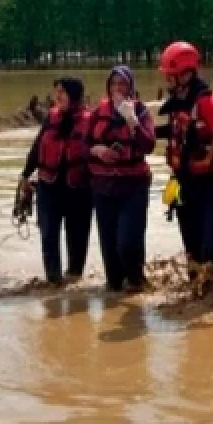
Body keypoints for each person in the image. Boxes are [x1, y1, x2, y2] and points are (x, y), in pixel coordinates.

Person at [155, 42, 213, 287]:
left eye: (170, 75)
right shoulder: (177, 103)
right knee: (191, 250)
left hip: (211, 187)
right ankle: (196, 299)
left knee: (209, 248)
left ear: (186, 74)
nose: (167, 80)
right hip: (183, 186)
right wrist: (140, 130)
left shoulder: (205, 104)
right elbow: (174, 132)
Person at [87, 66, 156, 293]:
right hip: (103, 187)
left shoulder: (141, 111)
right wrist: (97, 150)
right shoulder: (98, 112)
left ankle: (137, 283)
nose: (117, 88)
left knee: (128, 242)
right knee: (109, 251)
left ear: (130, 87)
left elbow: (149, 145)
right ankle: (115, 292)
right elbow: (82, 144)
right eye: (113, 84)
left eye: (122, 84)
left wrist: (132, 120)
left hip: (133, 185)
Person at [19, 77, 93, 286]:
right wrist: (25, 175)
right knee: (49, 236)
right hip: (49, 187)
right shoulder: (51, 118)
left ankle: (74, 281)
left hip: (79, 189)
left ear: (75, 96)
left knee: (77, 238)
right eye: (56, 92)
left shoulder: (90, 120)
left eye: (62, 92)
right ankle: (54, 283)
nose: (57, 96)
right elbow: (36, 148)